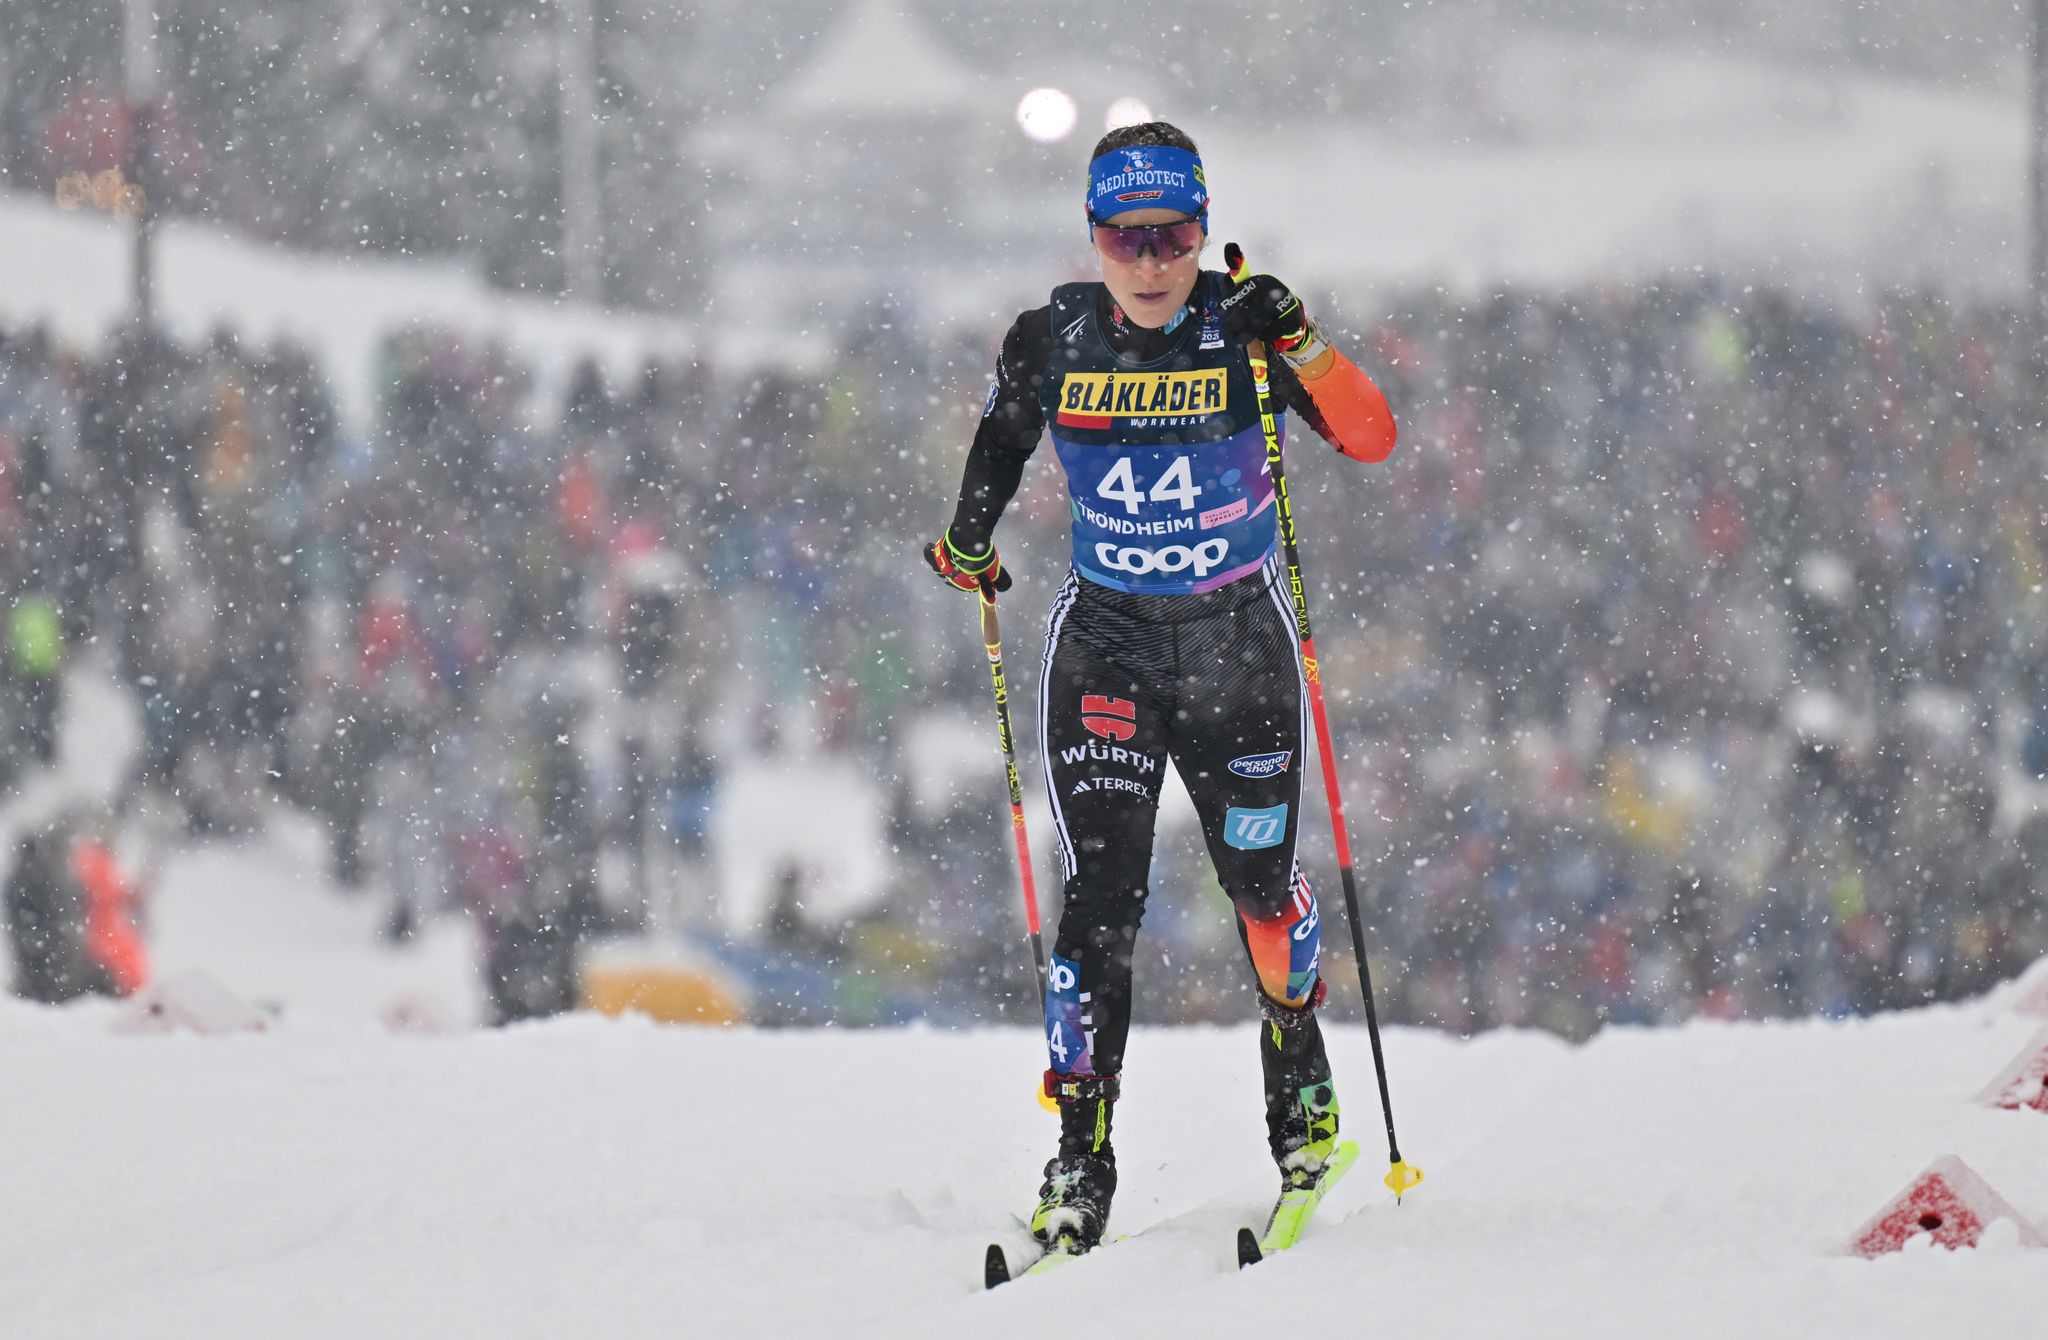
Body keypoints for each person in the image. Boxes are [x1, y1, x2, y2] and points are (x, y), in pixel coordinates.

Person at [923, 121, 1397, 1254]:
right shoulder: (1051, 337)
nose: (1150, 262)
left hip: (1237, 644)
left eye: (1173, 237)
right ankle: (1079, 1159)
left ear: (1201, 230)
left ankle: (1303, 1097)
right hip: (1111, 645)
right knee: (1099, 903)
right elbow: (1001, 439)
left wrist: (1305, 341)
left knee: (1261, 893)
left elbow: (1371, 437)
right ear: (1093, 236)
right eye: (1126, 238)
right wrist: (968, 540)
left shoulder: (1246, 330)